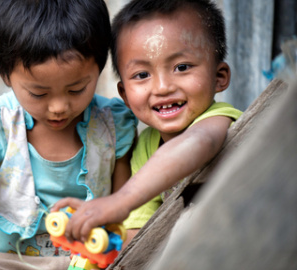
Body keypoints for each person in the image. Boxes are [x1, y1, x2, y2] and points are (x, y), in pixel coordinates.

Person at [0, 0, 137, 269]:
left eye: (76, 89)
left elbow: (125, 214)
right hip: (7, 264)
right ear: (3, 71)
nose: (58, 107)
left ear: (100, 65)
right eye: (39, 93)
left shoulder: (113, 126)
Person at [52, 0, 243, 249]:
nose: (162, 87)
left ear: (219, 77)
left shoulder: (221, 119)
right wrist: (97, 242)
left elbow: (198, 142)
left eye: (181, 67)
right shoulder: (145, 146)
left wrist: (120, 201)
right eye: (142, 75)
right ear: (125, 95)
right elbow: (139, 233)